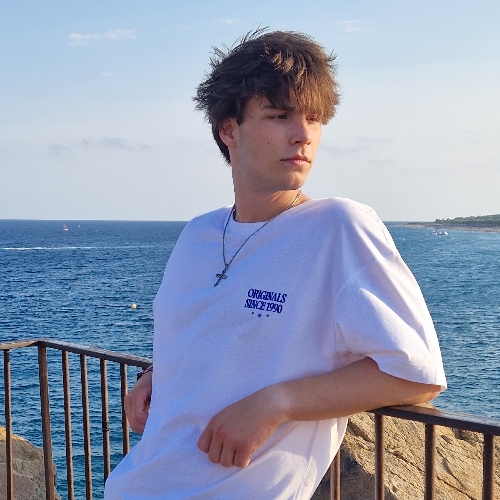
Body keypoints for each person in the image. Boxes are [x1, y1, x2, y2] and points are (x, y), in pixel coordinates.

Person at [104, 29, 446, 500]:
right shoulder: (198, 235)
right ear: (229, 130)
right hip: (134, 486)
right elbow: (213, 336)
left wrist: (275, 403)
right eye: (279, 115)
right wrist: (157, 374)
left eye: (314, 118)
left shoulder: (339, 227)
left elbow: (415, 373)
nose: (303, 134)